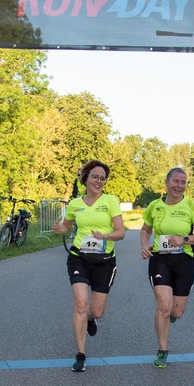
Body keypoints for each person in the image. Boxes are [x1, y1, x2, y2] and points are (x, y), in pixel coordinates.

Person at [52, 159, 124, 372]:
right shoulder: (75, 204)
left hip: (104, 261)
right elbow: (67, 227)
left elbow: (120, 232)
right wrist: (61, 229)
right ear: (86, 178)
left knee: (97, 311)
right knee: (81, 303)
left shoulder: (110, 201)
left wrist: (105, 236)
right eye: (95, 177)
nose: (99, 181)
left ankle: (91, 318)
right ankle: (81, 354)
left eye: (102, 178)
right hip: (79, 257)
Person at [139, 167, 194, 368]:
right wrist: (144, 245)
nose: (179, 186)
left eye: (183, 182)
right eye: (176, 181)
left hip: (184, 261)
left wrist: (185, 239)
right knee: (164, 305)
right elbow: (145, 230)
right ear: (166, 182)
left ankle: (169, 316)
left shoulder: (190, 206)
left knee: (176, 312)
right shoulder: (154, 206)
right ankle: (162, 349)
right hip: (160, 259)